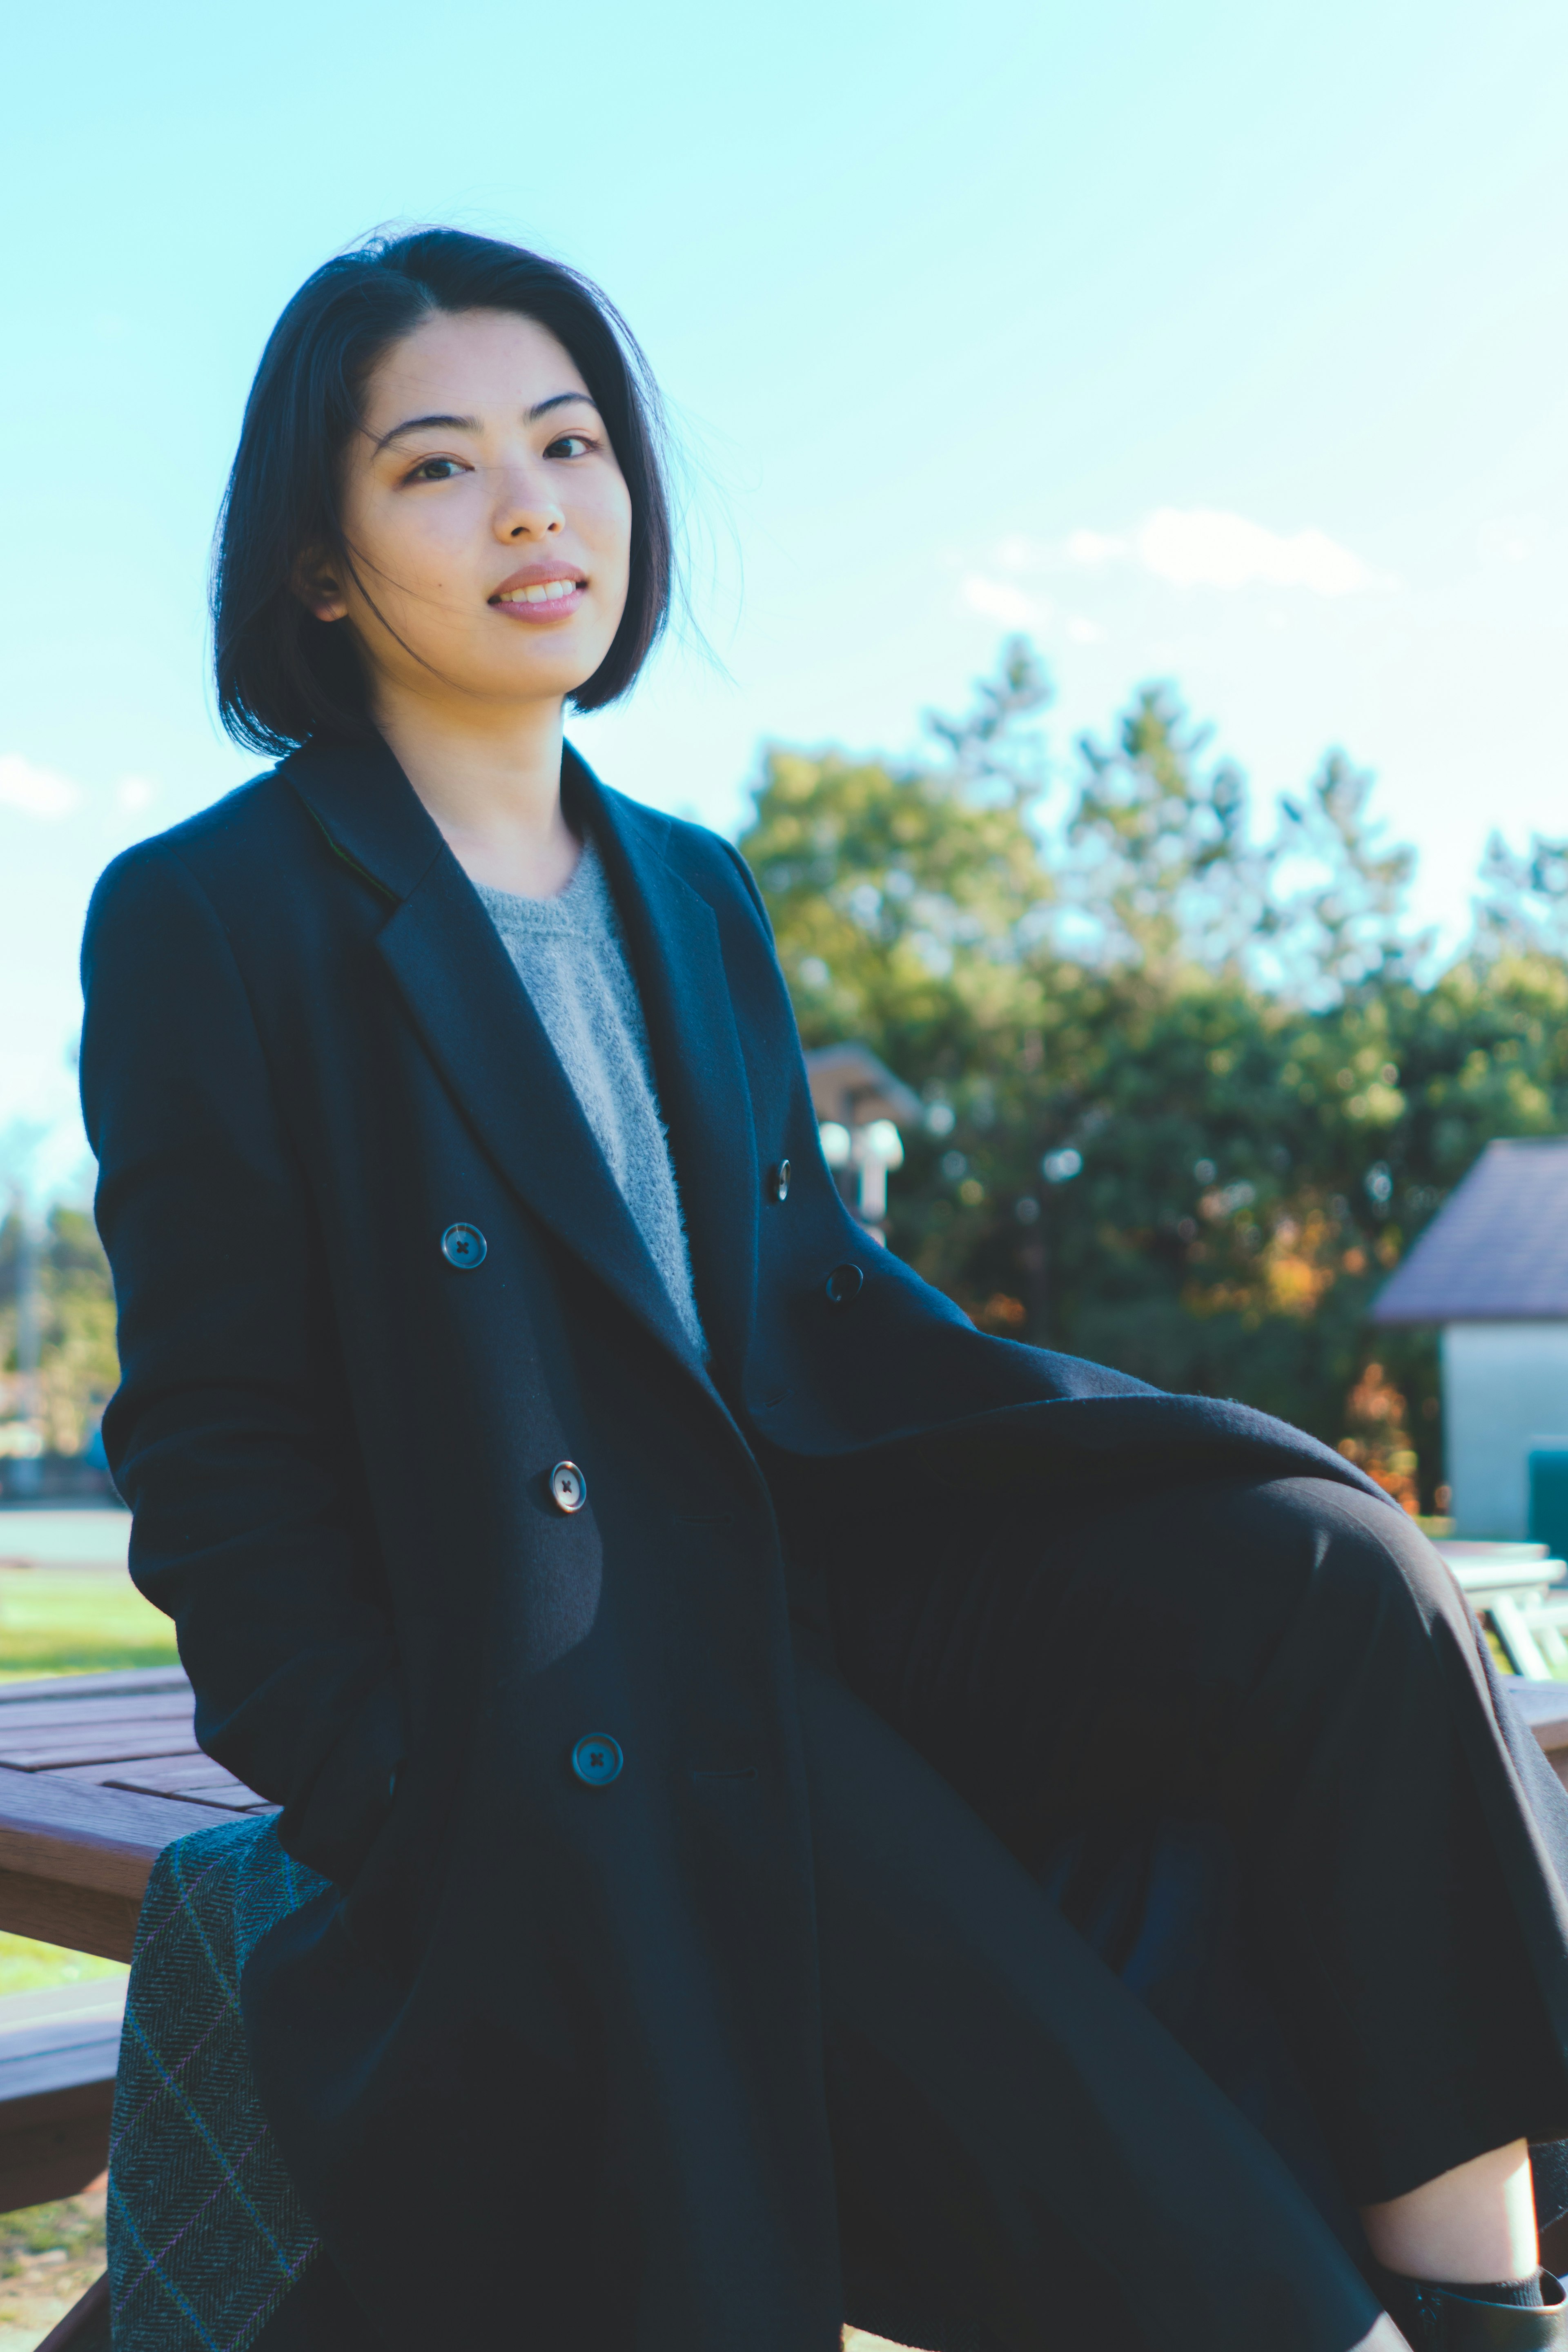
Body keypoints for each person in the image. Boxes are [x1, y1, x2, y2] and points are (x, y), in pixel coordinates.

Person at [78, 228, 1568, 2352]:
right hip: (575, 1698)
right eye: (435, 467)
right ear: (317, 568)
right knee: (1107, 2142)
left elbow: (817, 1310)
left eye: (571, 442)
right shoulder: (212, 917)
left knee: (1335, 1569)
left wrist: (1140, 1472)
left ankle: (1489, 2301)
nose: (532, 505)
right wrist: (404, 1801)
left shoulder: (692, 889)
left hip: (820, 1566)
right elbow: (215, 1442)